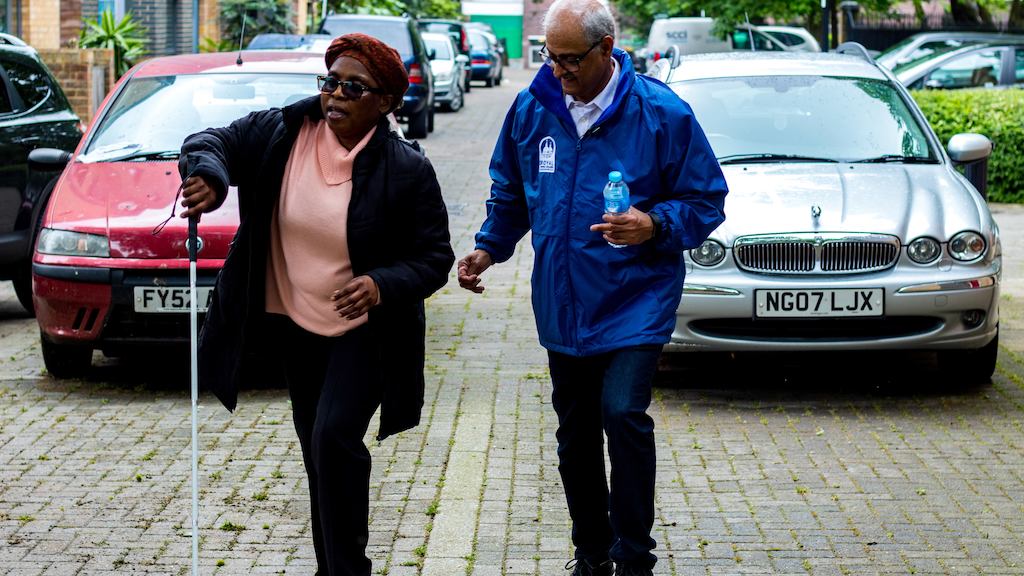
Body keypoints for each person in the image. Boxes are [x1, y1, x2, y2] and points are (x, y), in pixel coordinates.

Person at [457, 0, 728, 574]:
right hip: (563, 303)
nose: (558, 72)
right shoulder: (533, 109)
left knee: (622, 415)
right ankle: (591, 552)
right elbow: (511, 190)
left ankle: (634, 556)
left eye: (570, 60)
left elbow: (706, 199)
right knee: (575, 433)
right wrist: (488, 247)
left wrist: (653, 224)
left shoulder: (661, 113)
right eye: (550, 58)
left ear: (607, 49)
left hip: (636, 299)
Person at [177, 34, 455, 576]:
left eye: (355, 87)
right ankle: (332, 566)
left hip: (366, 333)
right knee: (317, 453)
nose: (337, 94)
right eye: (330, 82)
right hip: (297, 327)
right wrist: (210, 176)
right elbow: (211, 140)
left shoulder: (406, 169)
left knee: (333, 437)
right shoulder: (282, 132)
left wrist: (380, 283)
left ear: (386, 102)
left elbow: (434, 256)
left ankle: (349, 568)